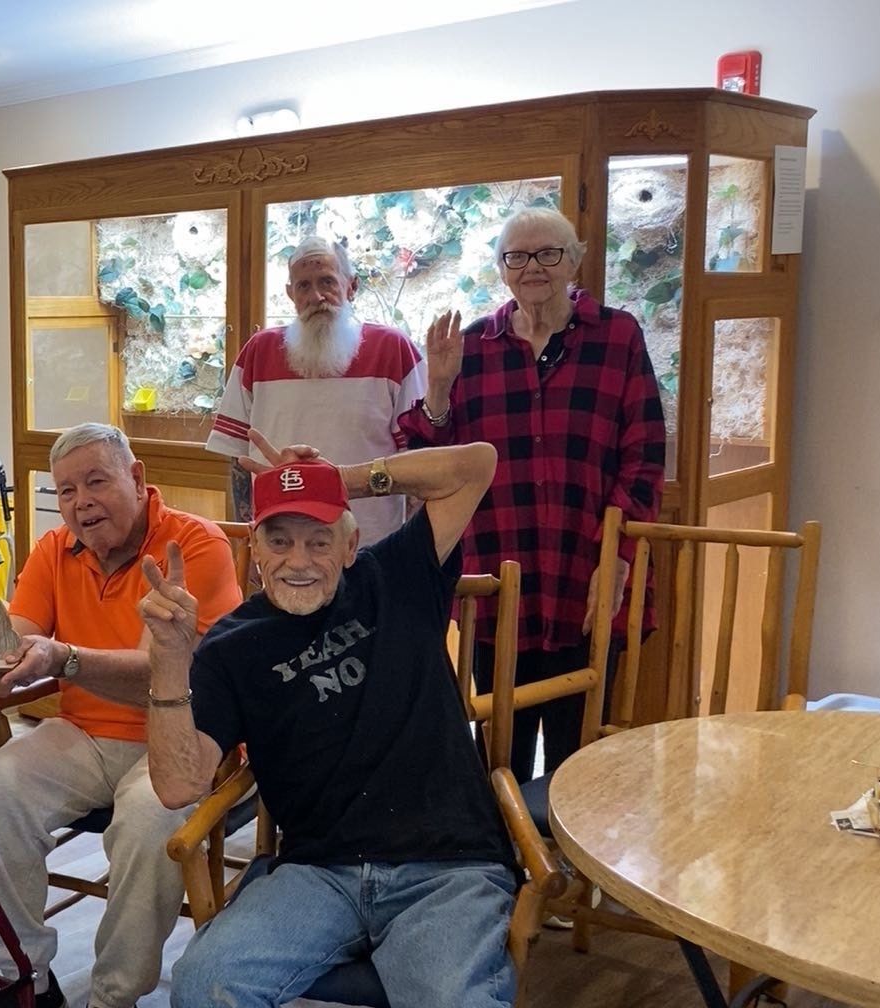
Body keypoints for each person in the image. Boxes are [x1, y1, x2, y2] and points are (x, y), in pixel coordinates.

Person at [142, 435, 513, 1007]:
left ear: (350, 545)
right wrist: (170, 661)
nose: (298, 561)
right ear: (255, 544)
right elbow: (177, 786)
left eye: (319, 541)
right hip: (318, 874)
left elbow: (476, 464)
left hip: (445, 868)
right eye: (280, 540)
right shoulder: (231, 646)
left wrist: (337, 478)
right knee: (203, 984)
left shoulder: (394, 576)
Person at [0, 423, 243, 1008]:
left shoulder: (194, 545)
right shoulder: (57, 549)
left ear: (136, 478)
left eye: (96, 482)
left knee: (148, 823)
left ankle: (112, 995)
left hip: (185, 741)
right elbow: (14, 645)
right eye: (68, 490)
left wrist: (68, 659)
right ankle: (27, 978)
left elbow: (168, 670)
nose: (80, 503)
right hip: (86, 733)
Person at [399, 207, 666, 779]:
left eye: (548, 253)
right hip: (501, 581)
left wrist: (616, 559)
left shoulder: (618, 336)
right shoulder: (472, 347)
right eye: (516, 256)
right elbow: (431, 460)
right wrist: (439, 390)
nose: (532, 267)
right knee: (500, 753)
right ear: (501, 269)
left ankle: (572, 865)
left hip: (586, 576)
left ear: (575, 258)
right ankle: (503, 864)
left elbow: (644, 456)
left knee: (583, 755)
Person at [207, 235, 426, 543]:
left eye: (327, 282)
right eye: (304, 286)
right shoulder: (258, 352)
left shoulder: (393, 349)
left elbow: (417, 456)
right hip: (279, 544)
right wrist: (249, 536)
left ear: (351, 286)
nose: (317, 296)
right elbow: (238, 459)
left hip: (374, 545)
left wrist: (411, 544)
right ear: (290, 293)